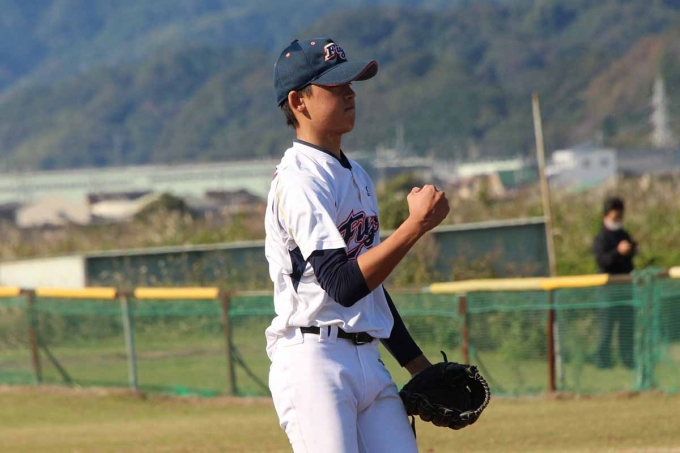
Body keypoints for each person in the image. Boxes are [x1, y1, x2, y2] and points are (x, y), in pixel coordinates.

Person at [264, 38, 450, 453]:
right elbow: (343, 285)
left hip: (368, 356)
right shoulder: (299, 180)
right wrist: (414, 226)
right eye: (334, 86)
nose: (350, 93)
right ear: (298, 101)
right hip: (314, 360)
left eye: (351, 83)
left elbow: (369, 287)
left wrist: (417, 366)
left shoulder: (356, 175)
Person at [592, 196, 637, 369]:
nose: (618, 220)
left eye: (620, 216)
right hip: (608, 290)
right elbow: (602, 260)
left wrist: (632, 249)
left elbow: (630, 258)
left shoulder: (623, 234)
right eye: (614, 217)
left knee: (626, 327)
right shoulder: (601, 237)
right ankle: (602, 361)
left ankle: (627, 359)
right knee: (607, 327)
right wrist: (618, 252)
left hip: (625, 288)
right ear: (606, 216)